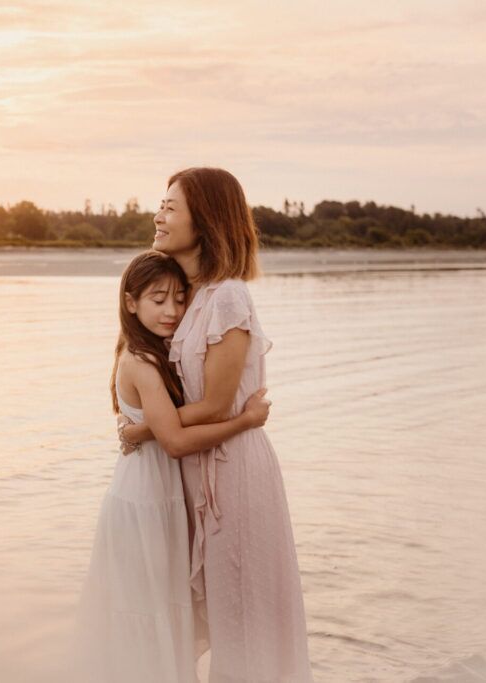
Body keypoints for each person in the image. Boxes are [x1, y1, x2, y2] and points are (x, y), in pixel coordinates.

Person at [120, 167, 315, 681]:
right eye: (160, 205)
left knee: (245, 619)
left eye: (170, 206)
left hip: (232, 473)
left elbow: (218, 405)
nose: (158, 215)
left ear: (203, 219)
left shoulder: (227, 296)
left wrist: (146, 429)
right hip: (198, 469)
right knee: (225, 618)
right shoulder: (187, 295)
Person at [75, 249, 272, 683]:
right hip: (143, 499)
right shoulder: (142, 361)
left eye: (180, 299)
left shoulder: (158, 350)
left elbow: (162, 426)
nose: (172, 310)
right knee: (147, 610)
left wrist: (139, 430)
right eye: (158, 299)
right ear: (131, 302)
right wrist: (245, 420)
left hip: (158, 493)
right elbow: (177, 441)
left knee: (164, 608)